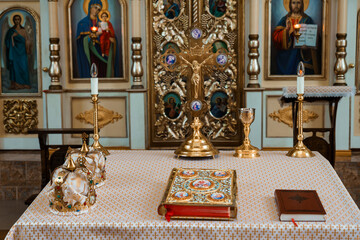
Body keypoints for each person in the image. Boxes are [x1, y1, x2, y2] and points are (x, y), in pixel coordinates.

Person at [272, 0, 319, 75]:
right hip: (287, 56)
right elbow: (276, 38)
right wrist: (286, 30)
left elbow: (314, 39)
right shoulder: (285, 19)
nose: (296, 5)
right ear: (290, 4)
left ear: (302, 4)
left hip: (301, 55)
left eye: (298, 3)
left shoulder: (307, 20)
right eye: (294, 3)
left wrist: (307, 48)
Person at [76, 0, 120, 78]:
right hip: (90, 54)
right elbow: (80, 42)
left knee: (102, 72)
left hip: (102, 55)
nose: (97, 11)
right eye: (95, 8)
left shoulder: (103, 23)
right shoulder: (82, 23)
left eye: (99, 9)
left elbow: (110, 36)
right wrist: (90, 37)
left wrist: (113, 40)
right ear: (90, 7)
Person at [5, 14, 31, 90]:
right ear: (13, 21)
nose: (17, 21)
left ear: (20, 20)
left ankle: (25, 84)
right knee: (15, 67)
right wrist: (12, 37)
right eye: (15, 19)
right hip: (14, 52)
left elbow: (27, 40)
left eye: (18, 19)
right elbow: (8, 43)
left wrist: (28, 48)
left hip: (22, 52)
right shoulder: (11, 31)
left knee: (23, 67)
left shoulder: (23, 30)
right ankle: (15, 85)